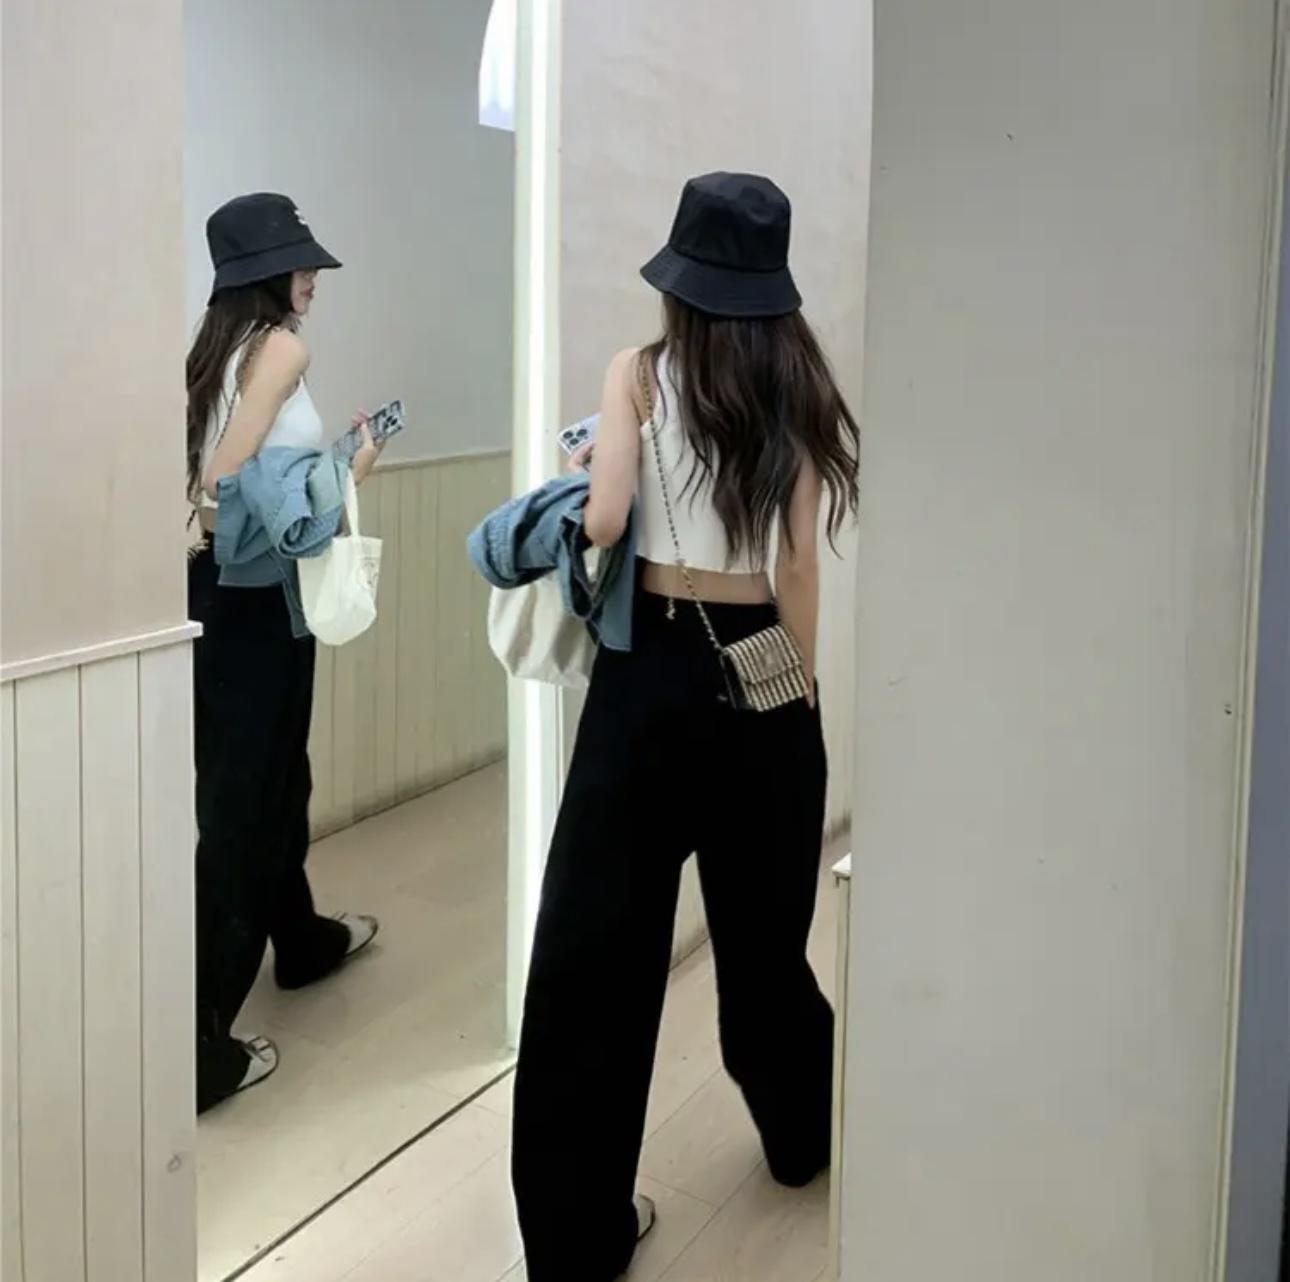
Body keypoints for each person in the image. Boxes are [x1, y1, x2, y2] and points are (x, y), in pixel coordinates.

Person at [510, 172, 861, 1281]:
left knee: (592, 959)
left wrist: (586, 475)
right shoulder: (800, 384)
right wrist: (802, 682)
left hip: (647, 670)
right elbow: (798, 567)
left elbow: (608, 518)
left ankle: (576, 1237)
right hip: (761, 665)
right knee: (765, 944)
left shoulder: (637, 372)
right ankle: (802, 1140)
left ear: (680, 278)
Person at [187, 193, 382, 1114]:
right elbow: (226, 477)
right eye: (299, 265)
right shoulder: (280, 349)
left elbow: (218, 482)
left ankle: (300, 940)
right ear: (262, 275)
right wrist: (348, 472)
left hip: (226, 592)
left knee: (270, 782)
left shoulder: (213, 351)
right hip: (256, 600)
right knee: (244, 807)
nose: (312, 279)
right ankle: (200, 1046)